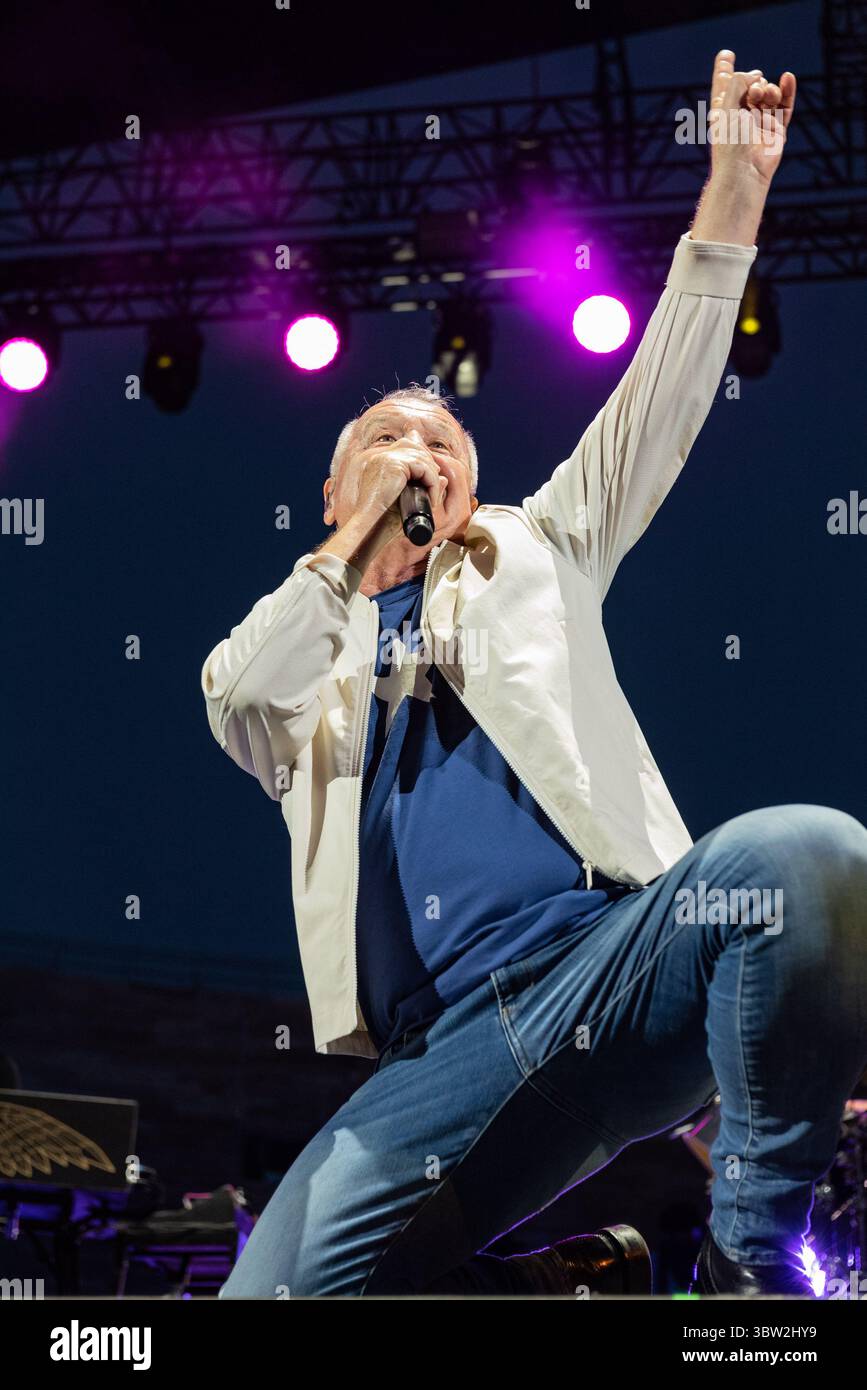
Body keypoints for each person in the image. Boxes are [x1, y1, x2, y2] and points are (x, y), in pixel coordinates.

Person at [202, 52, 867, 1296]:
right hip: (434, 1057)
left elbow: (663, 393)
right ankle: (564, 1284)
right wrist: (350, 553)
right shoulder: (297, 656)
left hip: (612, 961)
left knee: (808, 852)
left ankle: (748, 1258)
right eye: (387, 444)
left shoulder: (538, 545)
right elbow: (239, 700)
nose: (421, 455)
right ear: (335, 492)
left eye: (442, 442)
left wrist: (736, 186)